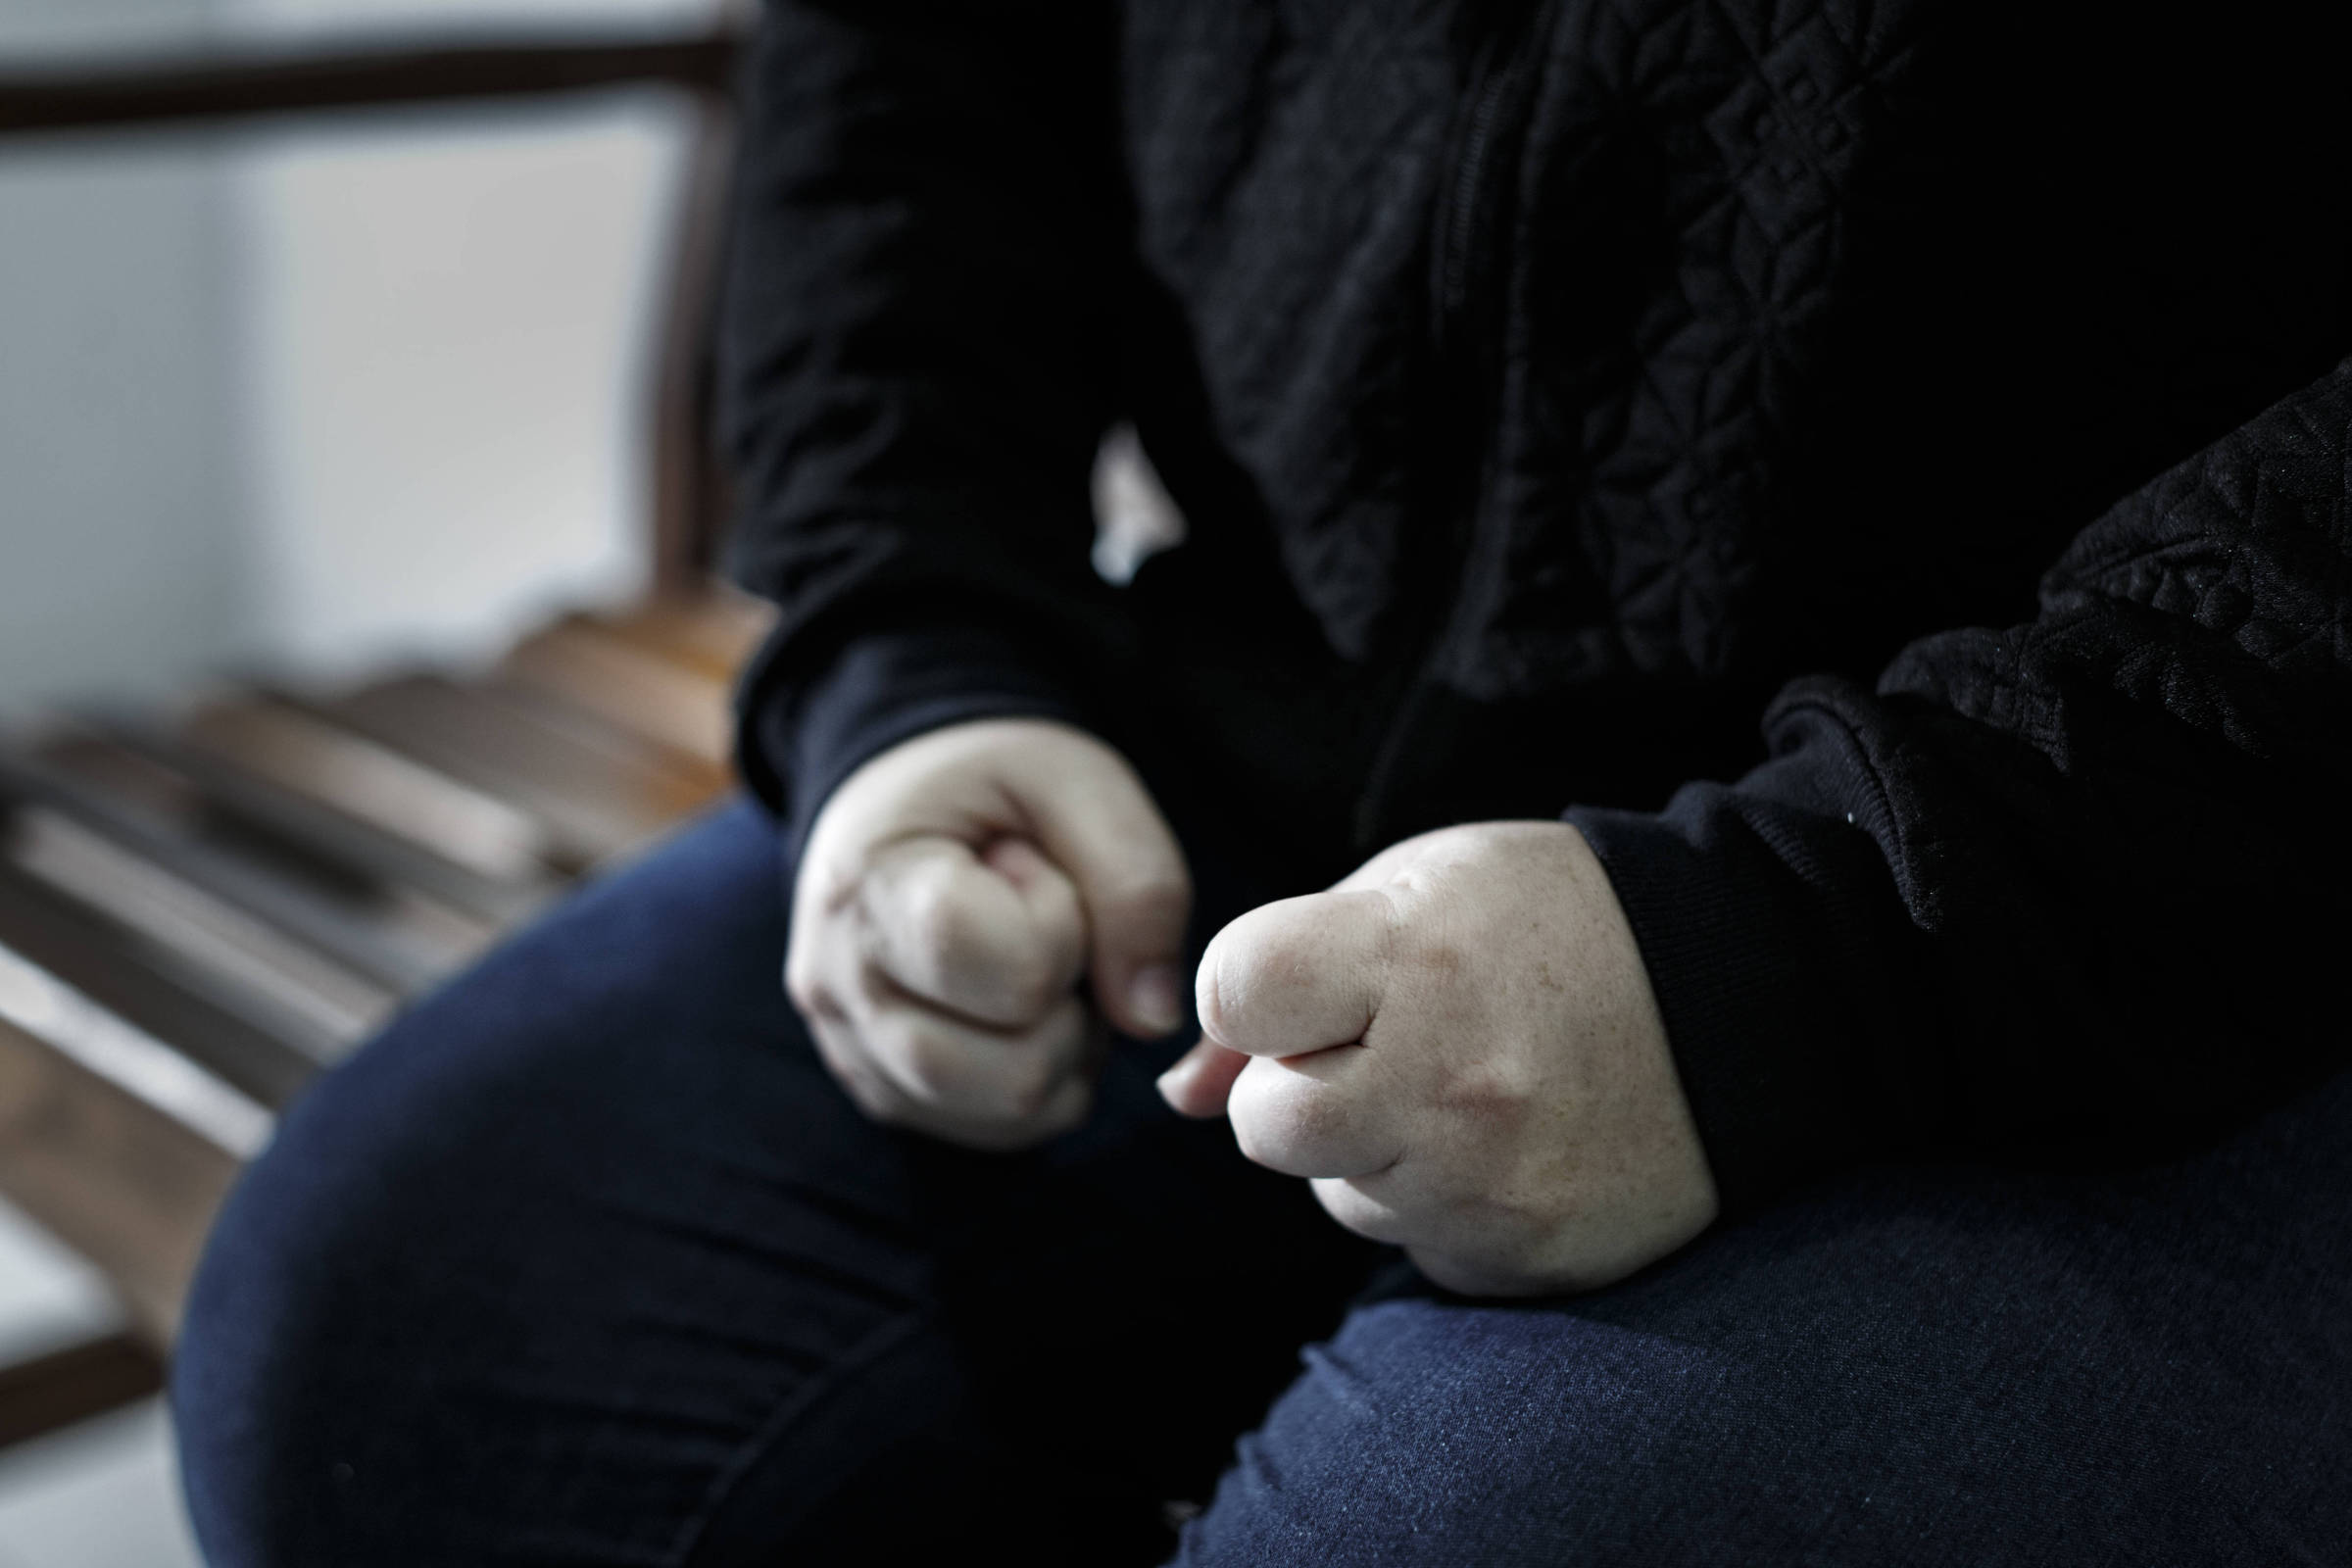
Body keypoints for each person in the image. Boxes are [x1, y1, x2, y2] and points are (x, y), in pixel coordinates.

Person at [173, 1, 2352, 1561]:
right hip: (1234, 732)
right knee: (389, 1349)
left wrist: (1816, 941)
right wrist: (923, 659)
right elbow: (915, 77)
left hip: (2178, 871)